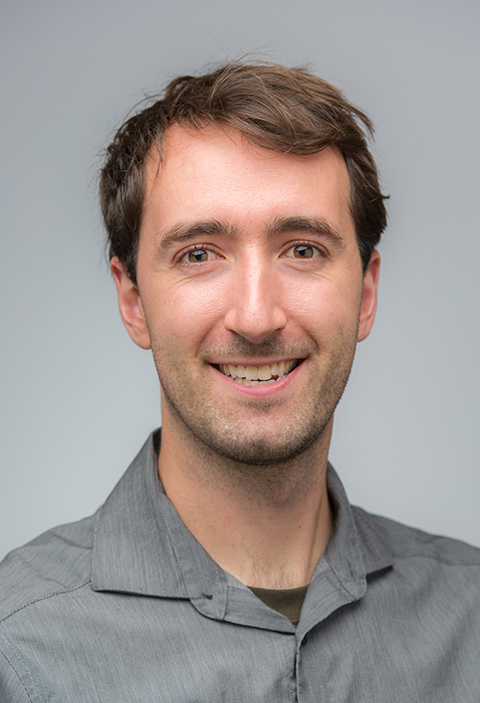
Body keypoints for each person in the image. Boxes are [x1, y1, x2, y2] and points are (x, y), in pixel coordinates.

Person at [1, 61, 479, 702]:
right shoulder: (18, 648)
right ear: (134, 300)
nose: (256, 317)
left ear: (365, 294)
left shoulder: (470, 619)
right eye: (199, 254)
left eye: (303, 249)